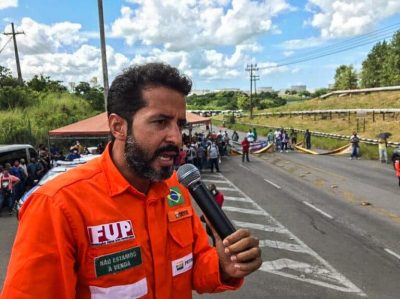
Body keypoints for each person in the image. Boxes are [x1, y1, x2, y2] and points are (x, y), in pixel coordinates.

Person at [1, 63, 261, 298]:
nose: (176, 138)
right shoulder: (57, 205)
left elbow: (191, 269)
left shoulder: (175, 190)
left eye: (179, 125)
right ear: (118, 127)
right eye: (160, 122)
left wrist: (222, 266)